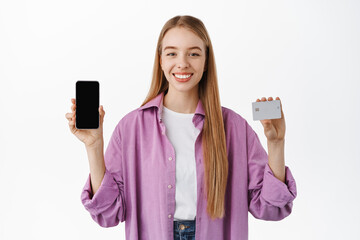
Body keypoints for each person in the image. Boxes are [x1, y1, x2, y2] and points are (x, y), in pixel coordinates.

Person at [65, 15, 297, 240]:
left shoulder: (234, 128)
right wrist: (94, 147)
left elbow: (270, 208)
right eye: (172, 53)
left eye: (194, 53)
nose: (182, 63)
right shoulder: (131, 128)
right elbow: (108, 213)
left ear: (206, 62)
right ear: (161, 61)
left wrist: (276, 143)